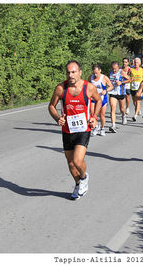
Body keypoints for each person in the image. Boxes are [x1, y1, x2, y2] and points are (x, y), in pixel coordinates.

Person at [48, 60, 102, 200]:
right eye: (68, 72)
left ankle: (84, 177)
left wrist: (95, 117)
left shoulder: (88, 87)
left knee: (78, 161)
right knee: (71, 163)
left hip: (83, 129)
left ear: (80, 72)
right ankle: (78, 184)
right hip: (67, 130)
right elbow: (51, 106)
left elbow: (99, 100)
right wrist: (57, 118)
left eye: (73, 72)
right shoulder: (60, 88)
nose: (70, 75)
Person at [88, 64, 114, 136]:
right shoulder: (91, 78)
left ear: (100, 70)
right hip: (93, 98)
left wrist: (106, 90)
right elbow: (87, 86)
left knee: (102, 114)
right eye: (94, 73)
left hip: (102, 98)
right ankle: (96, 127)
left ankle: (102, 128)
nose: (95, 74)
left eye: (97, 73)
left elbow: (111, 86)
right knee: (92, 114)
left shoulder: (104, 78)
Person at [108, 61, 130, 132]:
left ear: (118, 67)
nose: (114, 70)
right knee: (112, 109)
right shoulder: (110, 73)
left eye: (115, 69)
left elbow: (130, 79)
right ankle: (113, 125)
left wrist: (121, 82)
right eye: (113, 69)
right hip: (112, 93)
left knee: (122, 108)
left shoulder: (121, 72)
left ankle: (124, 116)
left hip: (120, 92)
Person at [130, 57, 143, 121]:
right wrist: (130, 79)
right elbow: (127, 76)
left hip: (139, 88)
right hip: (133, 87)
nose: (136, 63)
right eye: (135, 62)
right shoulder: (131, 69)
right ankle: (138, 109)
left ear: (139, 63)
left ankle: (135, 115)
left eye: (137, 62)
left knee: (138, 101)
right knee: (134, 101)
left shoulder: (142, 70)